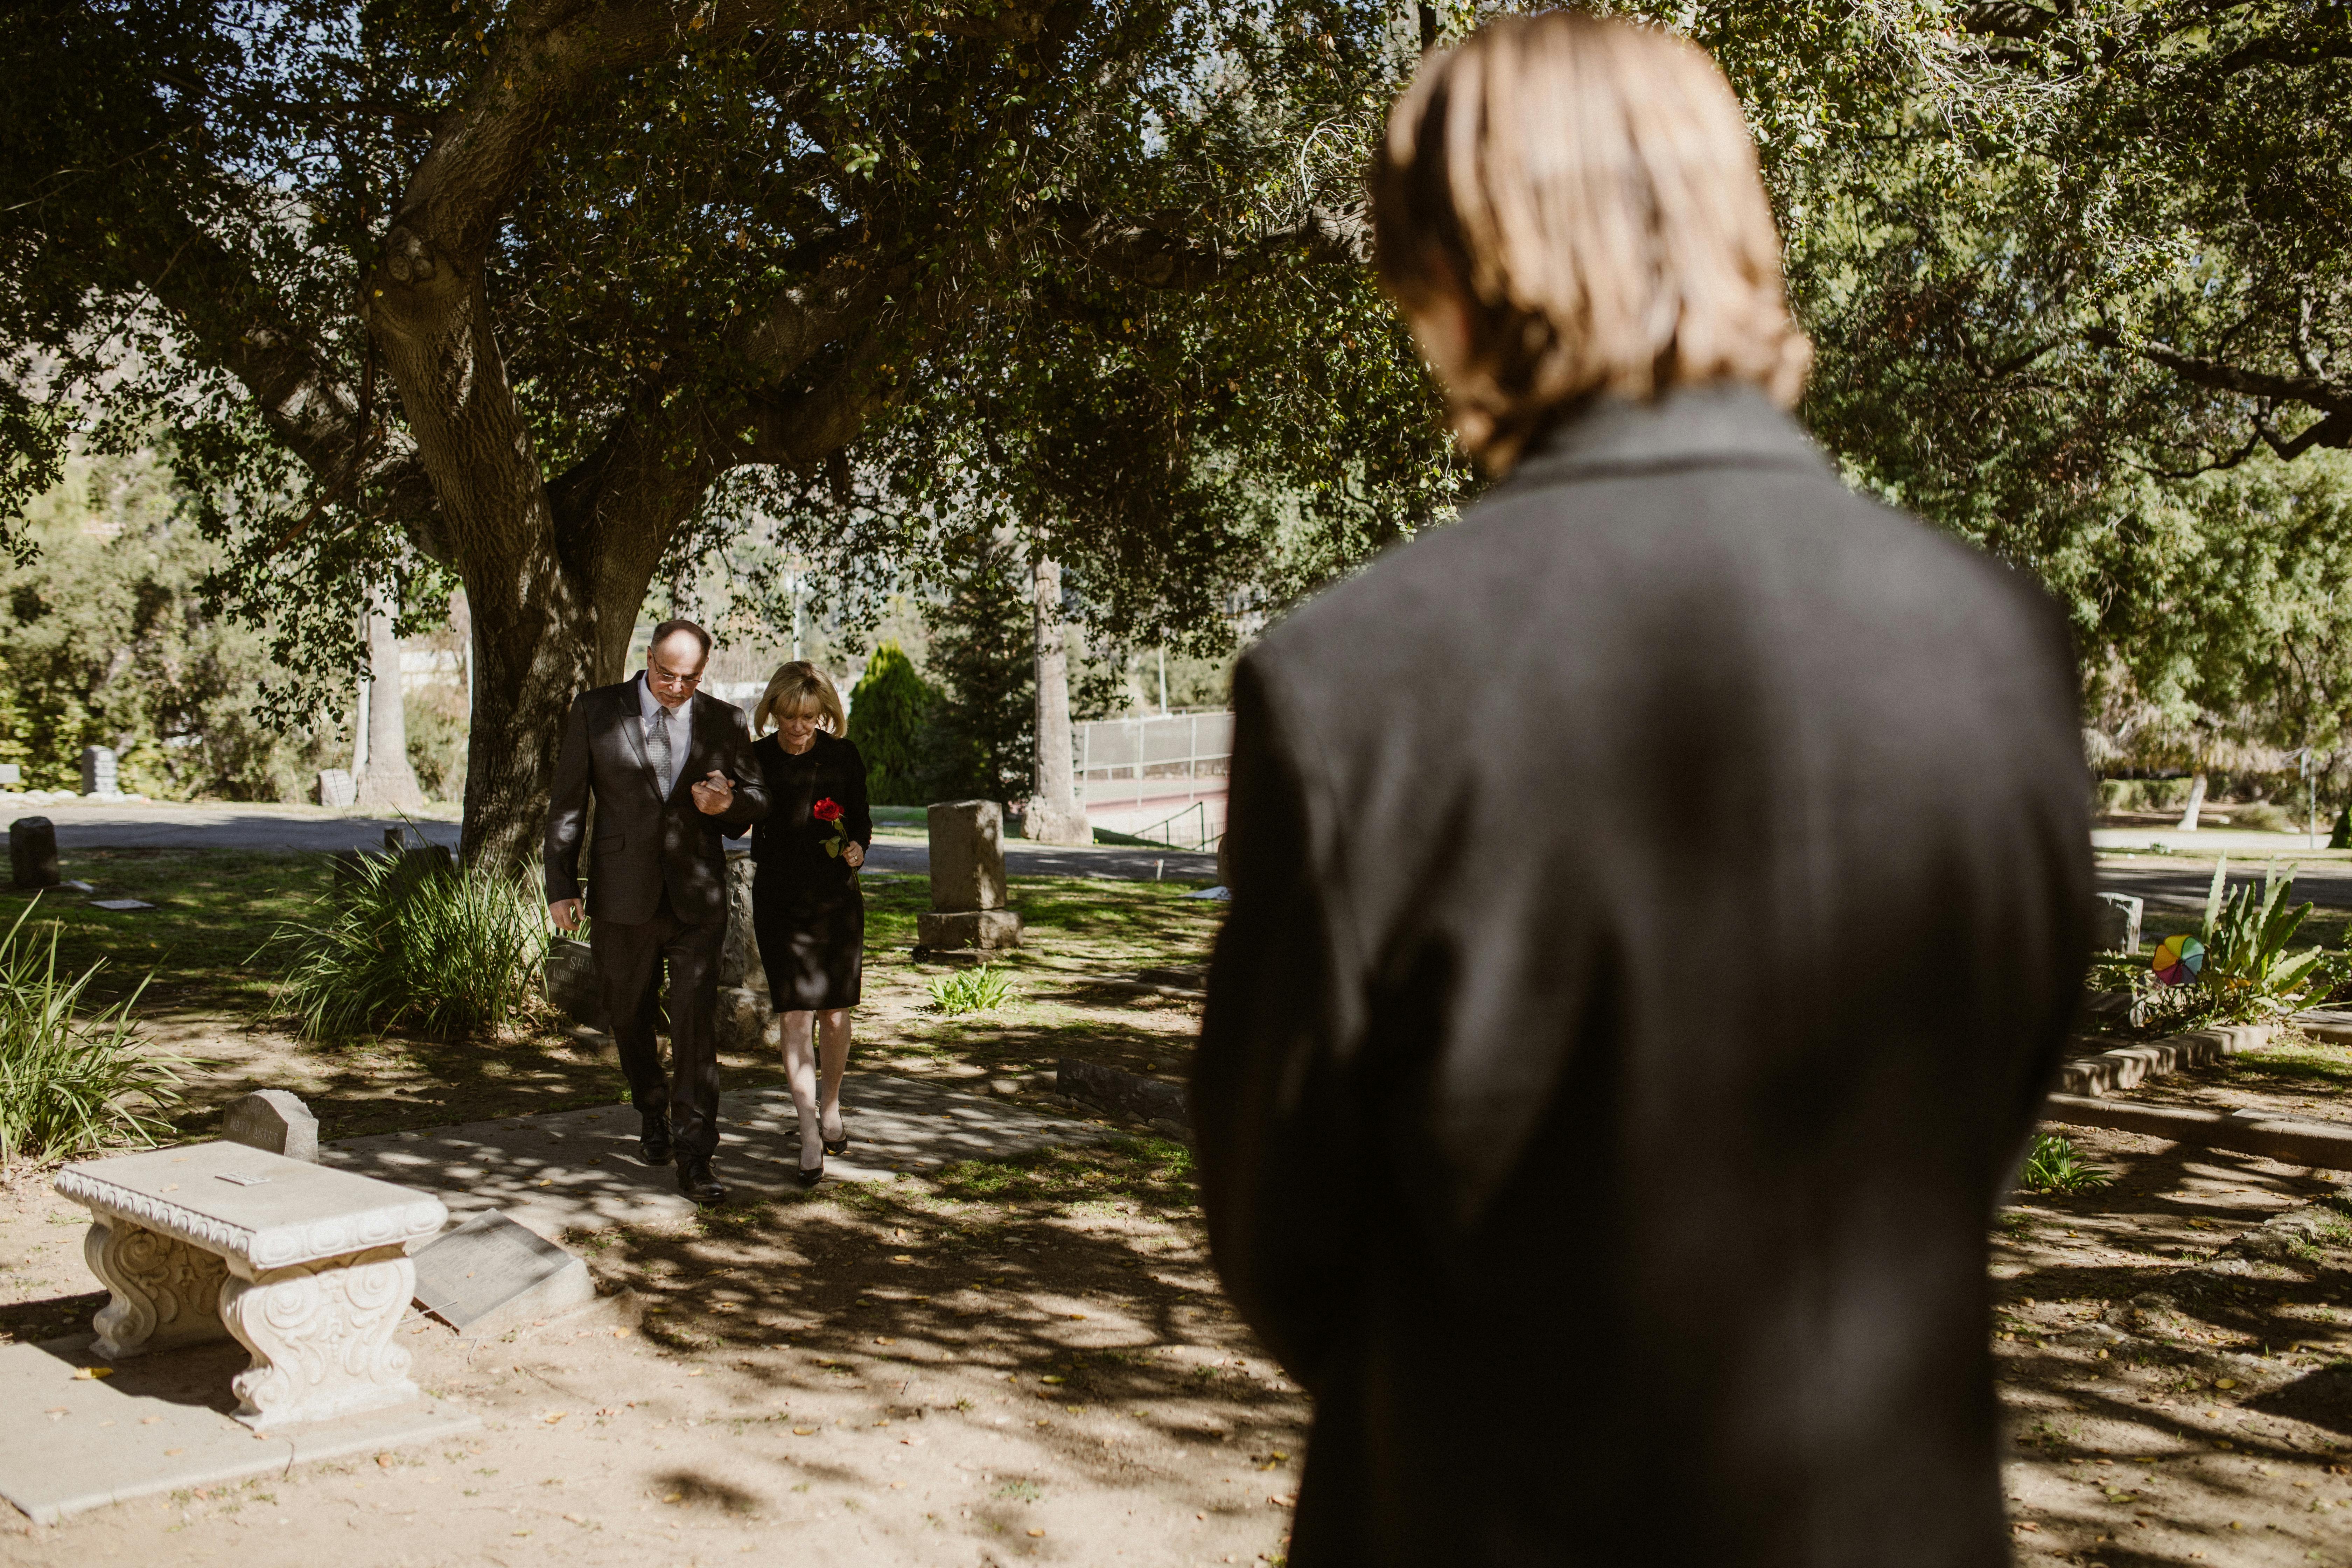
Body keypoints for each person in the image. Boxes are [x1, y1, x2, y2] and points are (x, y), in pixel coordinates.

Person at [1193, 14, 2093, 1568]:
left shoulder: (1354, 681)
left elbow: (1282, 1229)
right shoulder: (1996, 641)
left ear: (1456, 276)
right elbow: (1988, 1104)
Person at [545, 619, 769, 1205]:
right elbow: (568, 805)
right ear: (648, 658)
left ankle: (697, 1157)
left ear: (704, 672)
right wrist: (560, 885)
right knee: (628, 1015)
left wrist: (728, 804)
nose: (675, 687)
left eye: (689, 678)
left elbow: (756, 801)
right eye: (666, 674)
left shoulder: (726, 720)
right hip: (622, 895)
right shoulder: (596, 710)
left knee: (695, 1030)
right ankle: (652, 1110)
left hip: (697, 898)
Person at [744, 661, 872, 1184]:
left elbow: (861, 815)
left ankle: (833, 1105)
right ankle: (808, 1130)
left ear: (824, 715)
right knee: (796, 1016)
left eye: (809, 718)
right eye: (790, 717)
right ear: (773, 711)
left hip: (836, 900)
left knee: (836, 1015)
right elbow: (737, 816)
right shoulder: (754, 759)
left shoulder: (842, 755)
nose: (799, 728)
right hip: (779, 900)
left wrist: (859, 847)